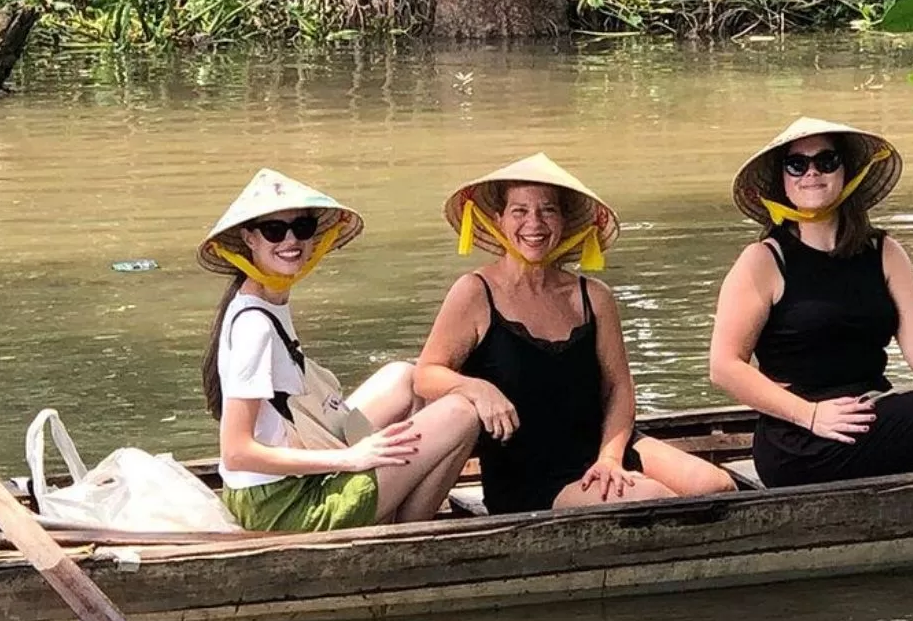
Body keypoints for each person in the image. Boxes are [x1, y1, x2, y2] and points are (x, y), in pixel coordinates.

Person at [416, 154, 734, 514]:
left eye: (547, 210)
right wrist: (476, 388)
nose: (534, 223)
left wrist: (610, 459)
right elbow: (425, 376)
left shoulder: (593, 296)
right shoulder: (475, 292)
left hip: (603, 447)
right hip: (530, 471)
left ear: (564, 221)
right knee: (652, 498)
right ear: (498, 220)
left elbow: (619, 387)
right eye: (520, 211)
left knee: (717, 486)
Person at [707, 118, 913, 488]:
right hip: (800, 437)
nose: (811, 173)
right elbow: (724, 366)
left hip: (871, 412)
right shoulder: (763, 260)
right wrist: (811, 415)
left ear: (846, 170)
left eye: (826, 161)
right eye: (797, 164)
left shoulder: (884, 252)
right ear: (782, 180)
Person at [200, 168, 480, 532]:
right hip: (281, 507)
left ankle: (391, 500)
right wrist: (349, 458)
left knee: (405, 377)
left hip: (293, 470)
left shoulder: (267, 298)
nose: (290, 241)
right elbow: (236, 453)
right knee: (461, 413)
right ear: (249, 239)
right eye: (274, 230)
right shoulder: (254, 326)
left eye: (302, 228)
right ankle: (405, 535)